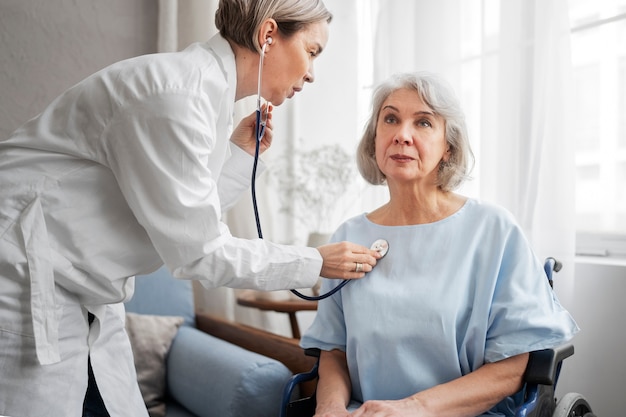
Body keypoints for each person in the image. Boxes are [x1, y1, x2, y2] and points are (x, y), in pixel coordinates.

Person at [0, 1, 382, 416]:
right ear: (268, 35)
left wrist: (237, 154)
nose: (311, 73)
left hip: (81, 287)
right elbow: (199, 251)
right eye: (312, 51)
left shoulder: (202, 95)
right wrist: (314, 261)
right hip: (24, 271)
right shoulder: (175, 95)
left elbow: (180, 217)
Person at [300, 72, 579, 417]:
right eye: (390, 119)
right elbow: (335, 351)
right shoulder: (348, 235)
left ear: (448, 145)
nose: (402, 135)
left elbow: (511, 369)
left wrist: (412, 409)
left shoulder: (493, 230)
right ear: (375, 138)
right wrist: (329, 408)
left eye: (423, 123)